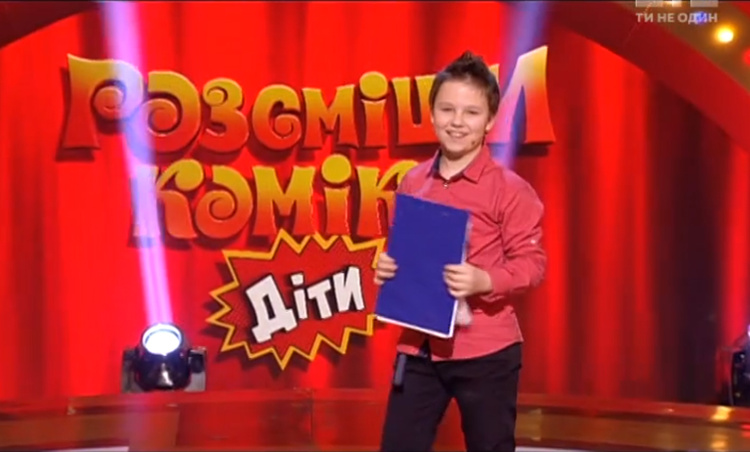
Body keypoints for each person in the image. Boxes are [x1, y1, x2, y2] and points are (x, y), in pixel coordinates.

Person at [375, 51, 547, 452]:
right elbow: (405, 252)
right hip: (418, 347)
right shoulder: (413, 181)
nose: (456, 121)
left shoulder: (511, 190)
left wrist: (483, 279)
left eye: (471, 112)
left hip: (486, 349)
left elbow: (533, 264)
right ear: (432, 113)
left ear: (489, 120)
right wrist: (388, 267)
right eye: (447, 109)